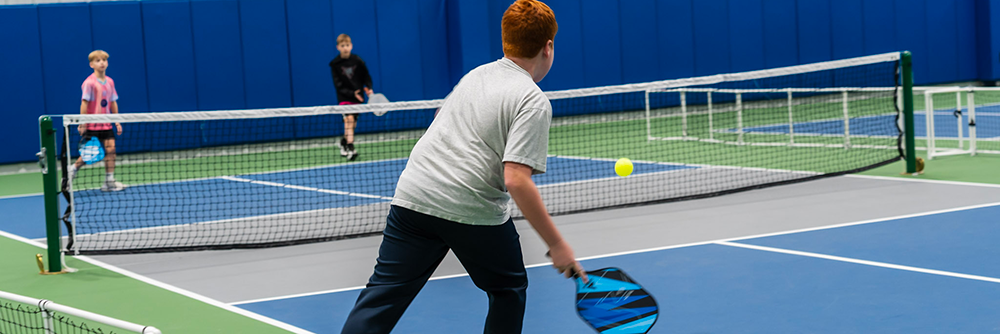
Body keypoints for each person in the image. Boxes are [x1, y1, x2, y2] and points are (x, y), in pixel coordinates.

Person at [340, 1, 584, 333]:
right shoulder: (532, 99)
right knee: (507, 289)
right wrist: (556, 244)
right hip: (470, 205)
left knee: (381, 298)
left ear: (505, 41)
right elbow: (516, 180)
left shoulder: (476, 75)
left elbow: (440, 117)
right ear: (548, 47)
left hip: (414, 194)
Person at [69, 50, 126, 192]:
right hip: (92, 125)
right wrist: (83, 122)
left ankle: (109, 181)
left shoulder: (110, 82)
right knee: (89, 155)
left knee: (111, 150)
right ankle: (72, 169)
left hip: (106, 125)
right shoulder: (89, 83)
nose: (102, 63)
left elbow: (113, 102)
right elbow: (84, 103)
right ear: (91, 64)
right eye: (98, 60)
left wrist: (117, 121)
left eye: (104, 60)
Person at [329, 33, 375, 161]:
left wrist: (369, 87)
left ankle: (344, 142)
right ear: (338, 47)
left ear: (351, 46)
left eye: (347, 45)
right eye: (342, 45)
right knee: (349, 119)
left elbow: (366, 76)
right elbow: (338, 85)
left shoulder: (358, 61)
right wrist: (351, 93)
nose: (345, 48)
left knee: (352, 124)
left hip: (358, 98)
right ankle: (351, 148)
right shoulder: (335, 64)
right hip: (344, 97)